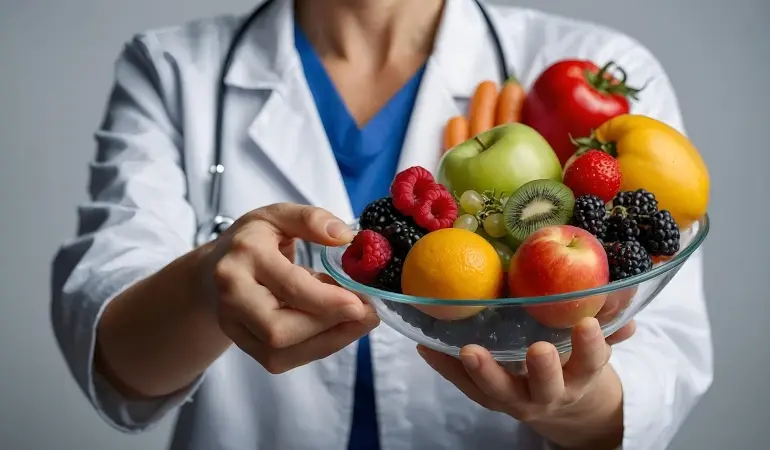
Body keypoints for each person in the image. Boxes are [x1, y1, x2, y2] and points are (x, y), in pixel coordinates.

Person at [50, 0, 713, 449]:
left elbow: (666, 350)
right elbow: (114, 359)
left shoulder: (597, 68)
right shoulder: (172, 71)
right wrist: (205, 285)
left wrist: (579, 408)